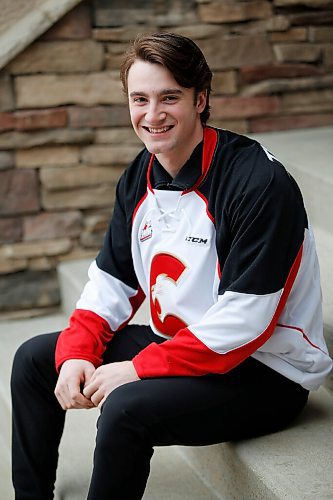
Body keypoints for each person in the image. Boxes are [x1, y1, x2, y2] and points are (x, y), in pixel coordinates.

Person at [11, 32, 332, 500]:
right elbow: (111, 282)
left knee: (125, 408)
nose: (152, 114)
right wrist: (78, 350)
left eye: (169, 97)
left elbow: (246, 322)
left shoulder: (258, 183)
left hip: (265, 370)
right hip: (183, 347)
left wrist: (138, 368)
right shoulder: (139, 174)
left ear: (201, 100)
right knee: (36, 359)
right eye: (139, 99)